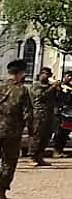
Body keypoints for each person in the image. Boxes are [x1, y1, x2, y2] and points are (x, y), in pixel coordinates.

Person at [0, 60, 33, 199]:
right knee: (9, 162)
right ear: (21, 73)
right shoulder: (22, 90)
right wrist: (32, 133)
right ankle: (1, 190)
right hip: (12, 132)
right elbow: (28, 113)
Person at [27, 67, 58, 166]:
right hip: (39, 112)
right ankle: (33, 155)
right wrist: (52, 88)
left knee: (47, 135)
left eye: (48, 74)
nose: (46, 76)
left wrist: (57, 89)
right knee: (38, 134)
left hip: (49, 112)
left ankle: (40, 155)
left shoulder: (50, 86)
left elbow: (58, 99)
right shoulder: (36, 85)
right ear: (40, 74)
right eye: (44, 74)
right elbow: (40, 96)